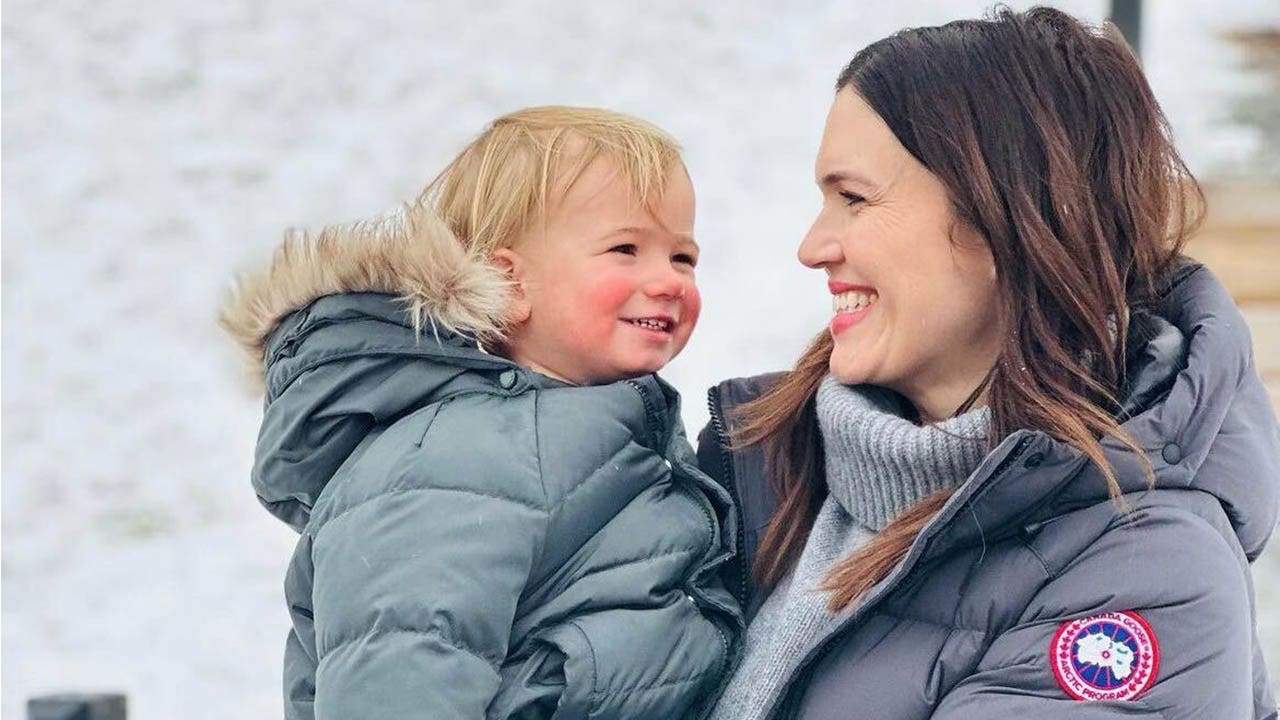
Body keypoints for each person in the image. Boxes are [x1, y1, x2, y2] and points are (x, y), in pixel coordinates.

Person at [699, 7, 1280, 719]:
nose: (813, 245)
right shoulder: (758, 470)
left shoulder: (1147, 580)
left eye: (854, 199)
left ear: (1004, 217)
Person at [219, 106, 742, 719]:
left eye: (683, 257)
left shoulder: (622, 437)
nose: (668, 280)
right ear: (511, 283)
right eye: (624, 249)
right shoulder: (449, 457)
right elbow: (398, 674)